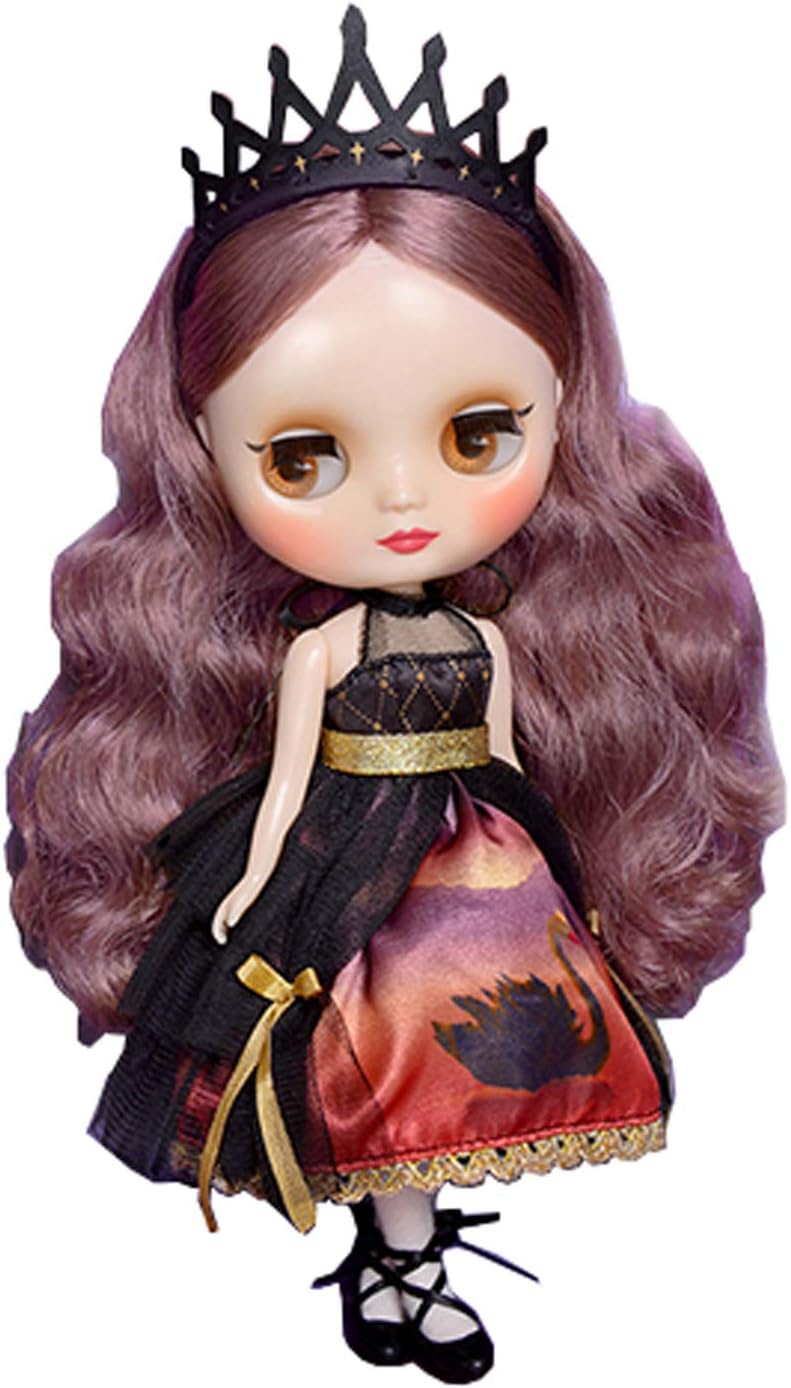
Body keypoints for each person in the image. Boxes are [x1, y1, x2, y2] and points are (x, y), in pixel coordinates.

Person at [6, 8, 780, 1383]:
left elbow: (510, 757)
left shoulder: (483, 637)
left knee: (453, 1058)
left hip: (475, 863)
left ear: (563, 410)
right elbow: (289, 777)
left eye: (478, 435)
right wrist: (250, 892)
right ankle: (395, 1253)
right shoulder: (321, 649)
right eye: (304, 457)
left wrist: (573, 880)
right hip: (333, 859)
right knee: (343, 1052)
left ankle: (406, 1252)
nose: (405, 498)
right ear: (200, 449)